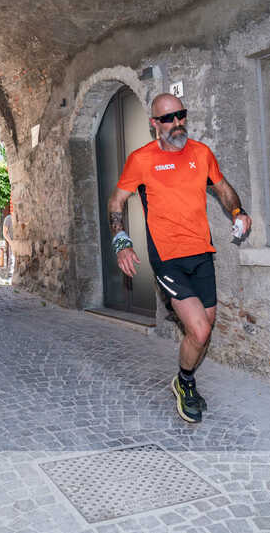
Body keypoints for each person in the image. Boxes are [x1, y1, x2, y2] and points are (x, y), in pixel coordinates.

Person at [107, 93, 251, 423]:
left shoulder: (201, 153)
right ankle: (186, 383)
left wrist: (238, 212)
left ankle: (183, 376)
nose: (177, 123)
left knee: (205, 328)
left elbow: (223, 188)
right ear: (154, 124)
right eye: (168, 119)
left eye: (180, 115)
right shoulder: (141, 159)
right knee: (199, 331)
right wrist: (121, 241)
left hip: (202, 253)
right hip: (168, 258)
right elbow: (116, 201)